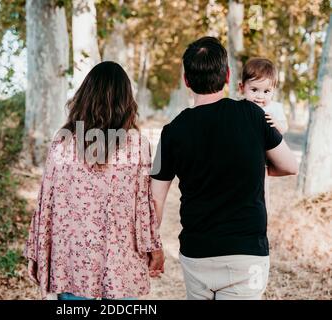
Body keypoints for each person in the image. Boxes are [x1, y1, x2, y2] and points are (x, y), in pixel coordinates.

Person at [150, 37, 298, 300]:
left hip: (197, 254)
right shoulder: (253, 116)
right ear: (228, 76)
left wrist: (152, 246)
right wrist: (258, 168)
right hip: (247, 253)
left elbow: (155, 199)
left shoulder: (171, 132)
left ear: (186, 80)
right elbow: (290, 166)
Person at [23, 61, 164, 300]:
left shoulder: (64, 141)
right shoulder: (137, 144)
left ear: (84, 96)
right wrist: (153, 247)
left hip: (72, 261)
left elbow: (45, 202)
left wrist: (37, 251)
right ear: (126, 100)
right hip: (122, 260)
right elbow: (143, 206)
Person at [239, 57, 288, 134]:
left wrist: (277, 124)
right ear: (242, 88)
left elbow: (284, 129)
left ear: (273, 91)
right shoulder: (240, 107)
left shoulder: (275, 108)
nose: (260, 96)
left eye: (266, 91)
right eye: (254, 90)